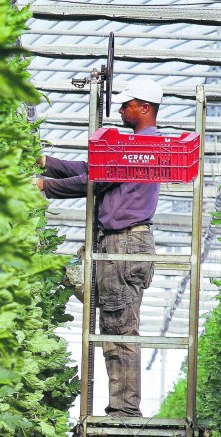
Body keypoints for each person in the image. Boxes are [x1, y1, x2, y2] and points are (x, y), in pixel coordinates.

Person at [36, 78, 164, 418]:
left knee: (120, 325)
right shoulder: (138, 145)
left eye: (127, 105)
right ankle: (122, 406)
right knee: (115, 322)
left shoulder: (142, 146)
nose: (120, 110)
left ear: (145, 108)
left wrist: (45, 186)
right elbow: (92, 169)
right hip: (125, 242)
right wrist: (46, 162)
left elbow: (96, 179)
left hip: (124, 244)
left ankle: (125, 409)